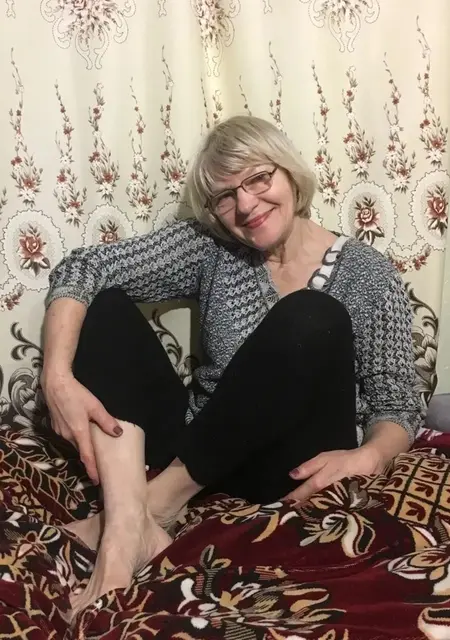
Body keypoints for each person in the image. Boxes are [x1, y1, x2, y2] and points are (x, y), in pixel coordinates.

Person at [41, 115, 422, 617]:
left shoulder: (368, 274)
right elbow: (84, 266)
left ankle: (139, 513)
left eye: (259, 179)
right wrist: (56, 378)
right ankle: (137, 519)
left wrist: (371, 454)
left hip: (289, 461)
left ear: (290, 174)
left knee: (312, 315)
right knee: (104, 305)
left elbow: (398, 404)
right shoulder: (213, 248)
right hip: (203, 444)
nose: (245, 205)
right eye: (225, 196)